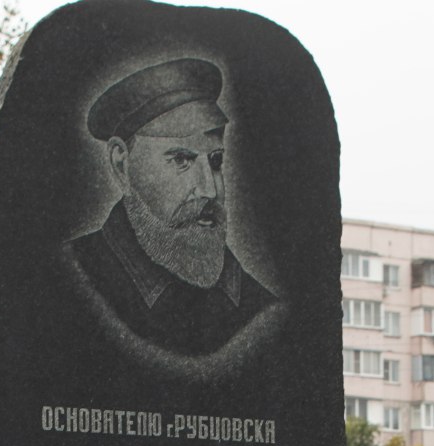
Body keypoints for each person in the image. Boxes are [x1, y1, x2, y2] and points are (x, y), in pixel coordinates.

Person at [67, 57, 277, 357]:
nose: (209, 189)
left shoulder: (261, 309)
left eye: (215, 160)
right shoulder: (69, 278)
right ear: (121, 164)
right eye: (181, 160)